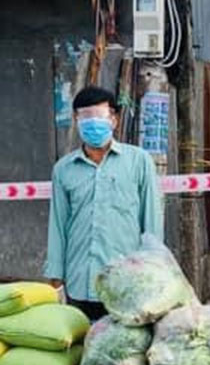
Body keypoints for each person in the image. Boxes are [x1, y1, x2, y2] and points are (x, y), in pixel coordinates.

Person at [44, 86, 162, 321]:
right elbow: (58, 225)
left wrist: (154, 272)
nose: (92, 123)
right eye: (85, 117)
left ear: (114, 120)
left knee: (123, 352)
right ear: (76, 121)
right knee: (82, 352)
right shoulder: (63, 169)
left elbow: (151, 222)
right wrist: (55, 277)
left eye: (99, 116)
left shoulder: (139, 161)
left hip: (126, 283)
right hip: (80, 281)